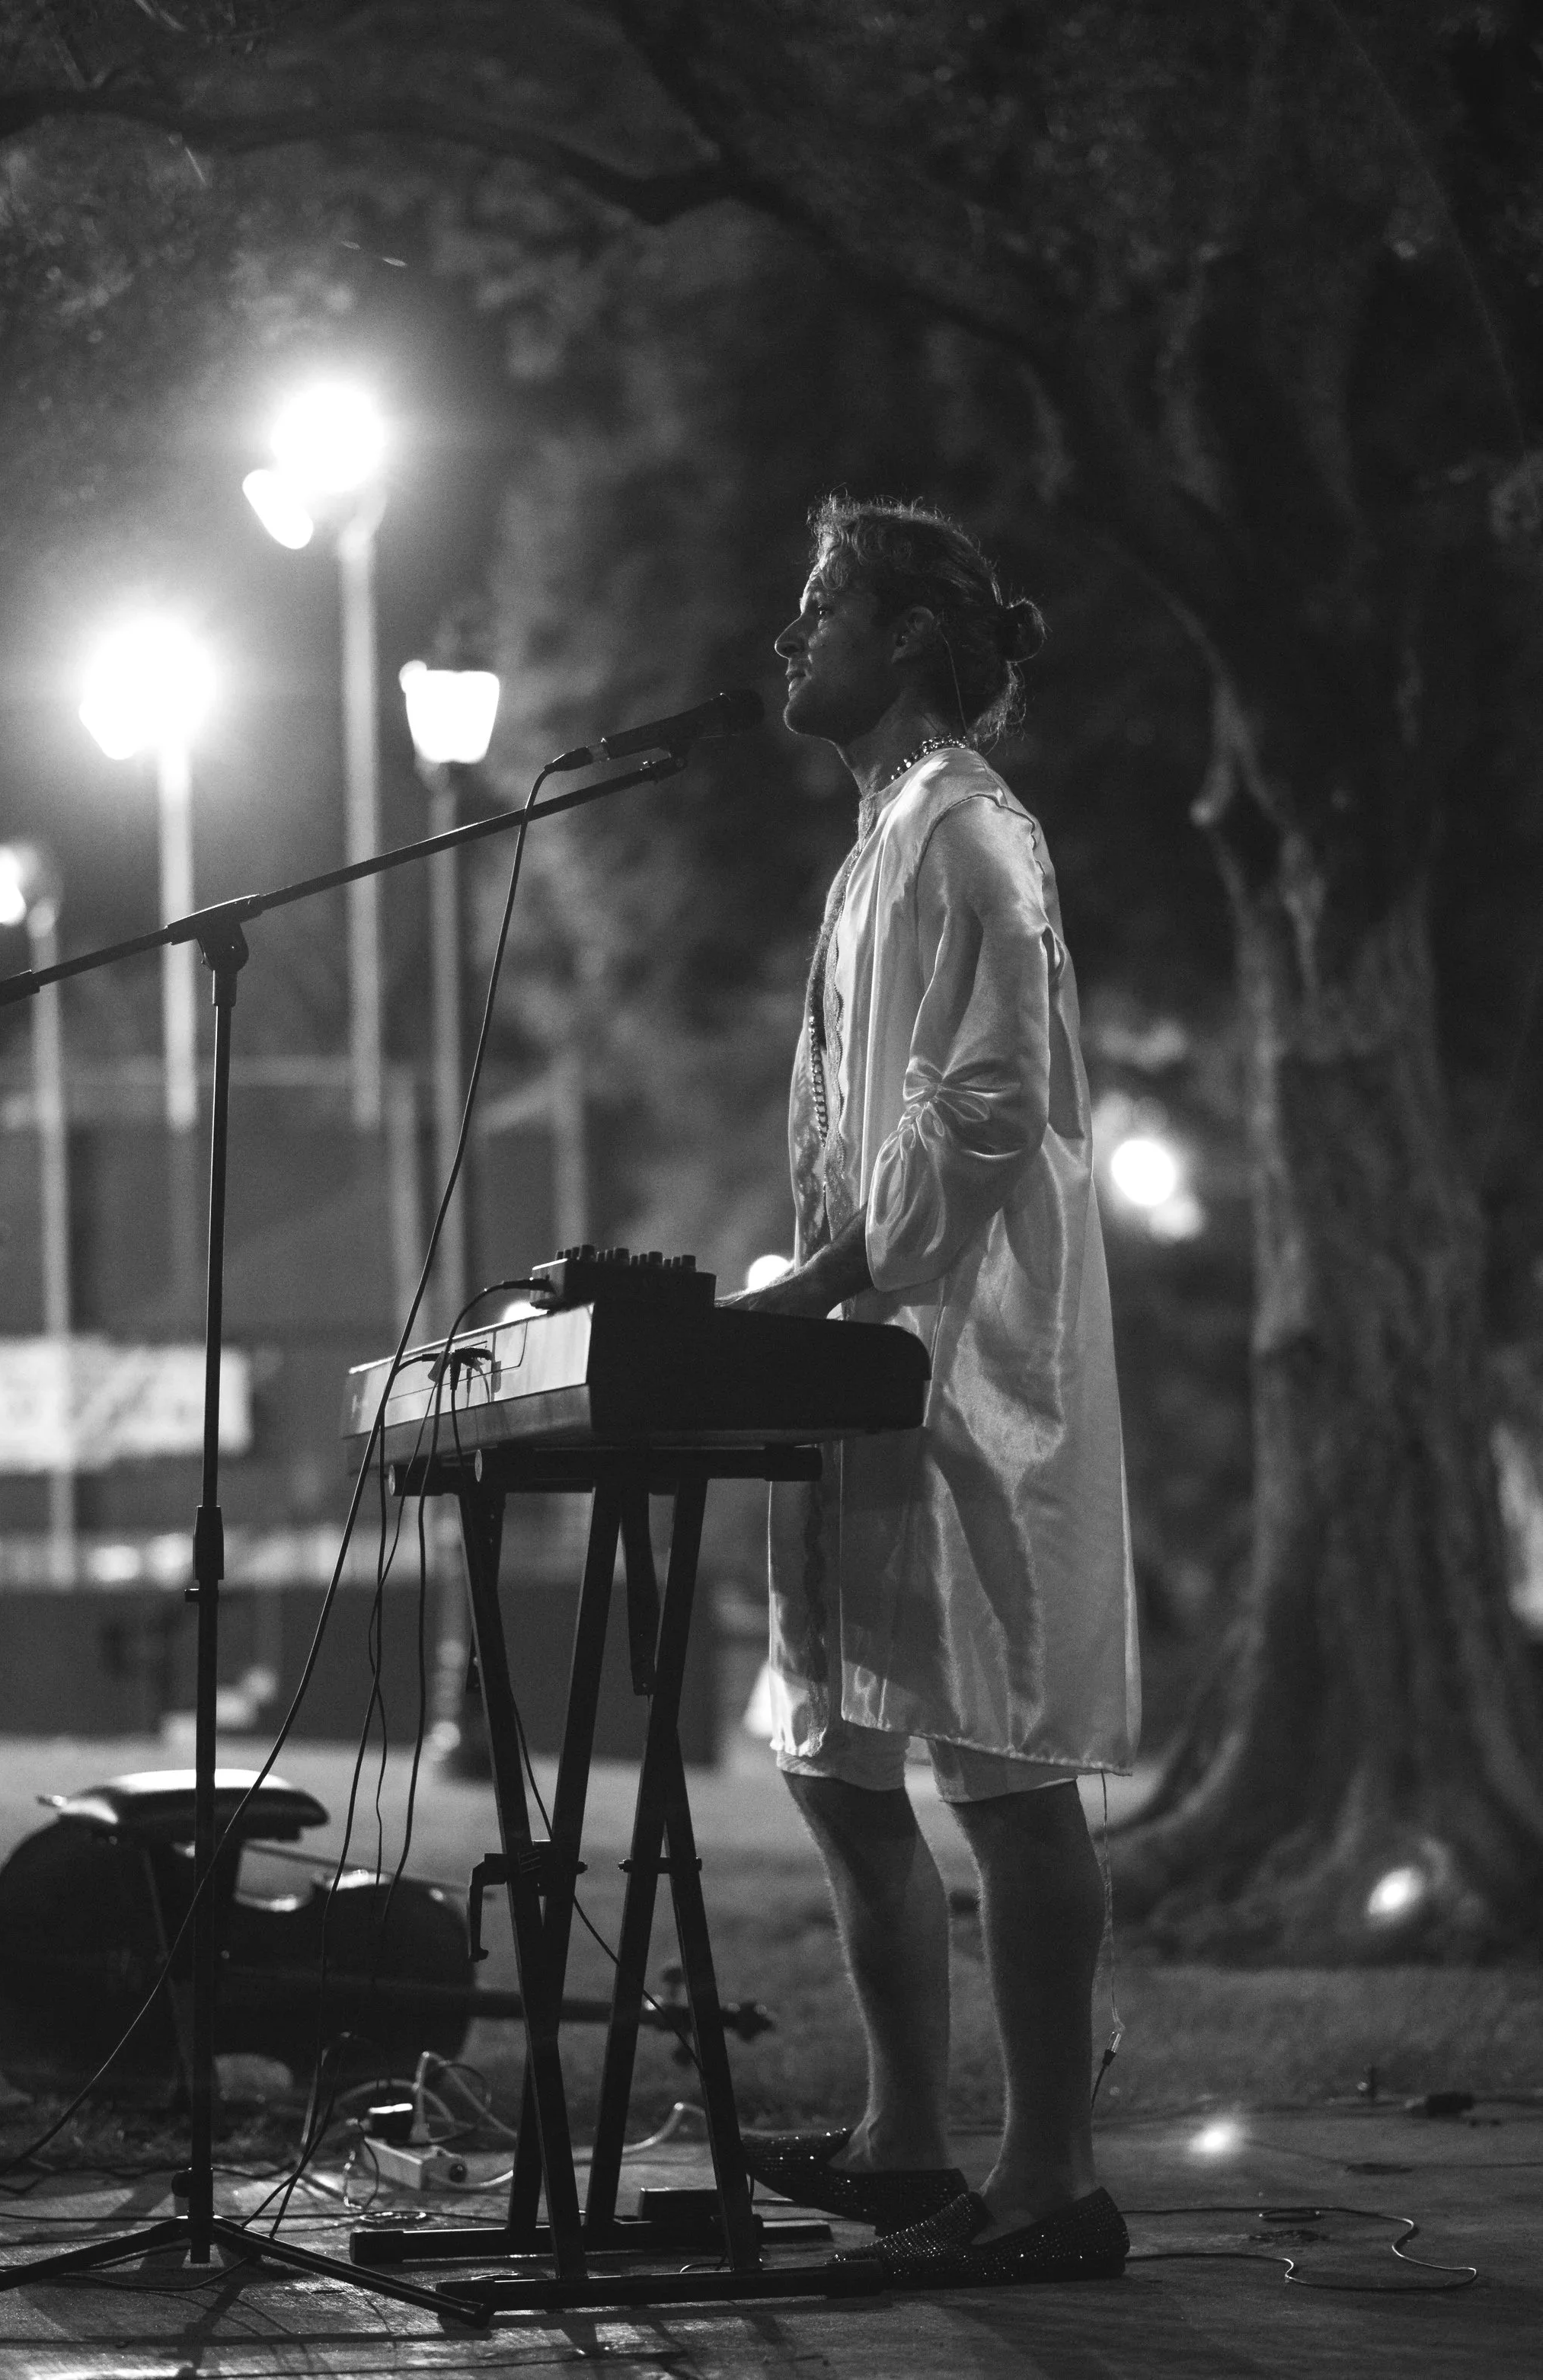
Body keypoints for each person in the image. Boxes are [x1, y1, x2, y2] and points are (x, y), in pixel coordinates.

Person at [730, 495, 1139, 2289]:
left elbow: (985, 1104)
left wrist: (834, 1270)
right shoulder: (873, 840)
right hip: (862, 1346)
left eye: (819, 605)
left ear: (902, 636)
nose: (786, 635)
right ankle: (903, 2137)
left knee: (1002, 1763)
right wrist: (808, 1280)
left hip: (967, 1355)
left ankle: (1049, 2179)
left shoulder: (973, 830)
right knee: (830, 1743)